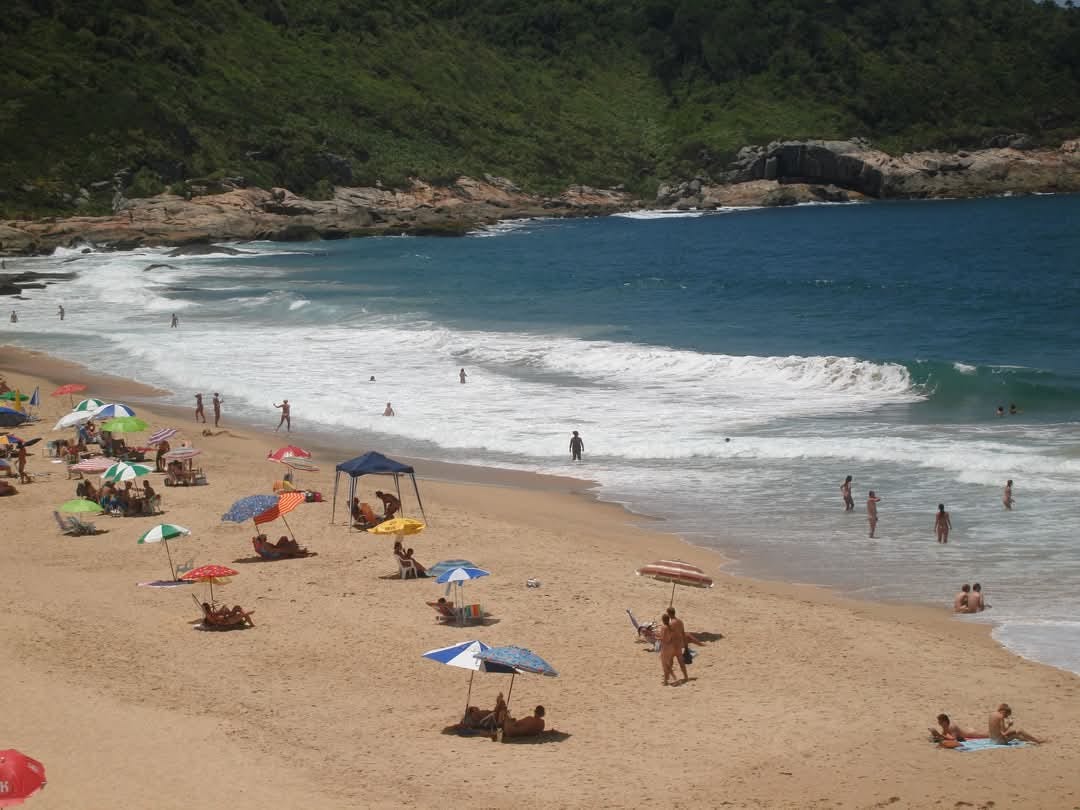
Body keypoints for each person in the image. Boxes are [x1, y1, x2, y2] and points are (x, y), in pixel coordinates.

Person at [659, 613, 679, 685]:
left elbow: (663, 639)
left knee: (666, 665)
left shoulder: (664, 627)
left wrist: (656, 637)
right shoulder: (671, 627)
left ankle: (675, 679)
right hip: (671, 647)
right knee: (666, 664)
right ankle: (665, 681)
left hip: (665, 647)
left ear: (663, 620)